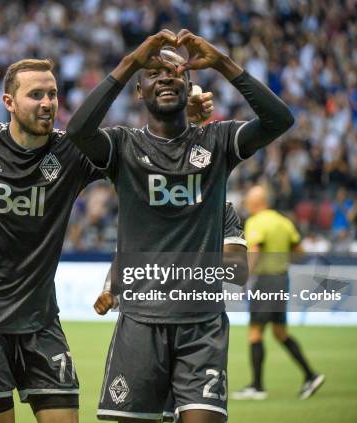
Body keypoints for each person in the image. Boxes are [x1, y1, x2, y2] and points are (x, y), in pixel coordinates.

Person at [0, 59, 213, 423]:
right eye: (36, 95)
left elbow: (142, 151)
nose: (47, 103)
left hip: (41, 321)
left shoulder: (72, 151)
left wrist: (183, 117)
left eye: (53, 94)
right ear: (9, 102)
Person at [66, 29, 294, 423]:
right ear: (139, 91)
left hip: (201, 327)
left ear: (190, 86)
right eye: (153, 73)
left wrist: (222, 62)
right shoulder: (123, 146)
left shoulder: (218, 141)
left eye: (175, 73)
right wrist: (130, 62)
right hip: (140, 324)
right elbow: (78, 131)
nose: (166, 77)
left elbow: (279, 119)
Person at [95, 202, 248, 423]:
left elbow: (239, 270)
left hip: (200, 327)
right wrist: (110, 290)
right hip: (143, 324)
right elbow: (126, 254)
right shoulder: (143, 202)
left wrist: (179, 261)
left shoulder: (220, 207)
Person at [232, 185, 324, 400]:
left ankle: (257, 387)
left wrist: (244, 278)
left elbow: (254, 250)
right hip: (282, 280)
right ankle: (311, 375)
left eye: (248, 200)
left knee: (255, 333)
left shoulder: (256, 222)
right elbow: (299, 252)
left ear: (256, 202)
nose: (245, 203)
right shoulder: (283, 221)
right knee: (279, 333)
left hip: (265, 282)